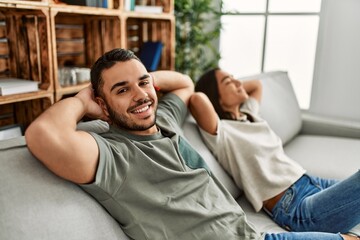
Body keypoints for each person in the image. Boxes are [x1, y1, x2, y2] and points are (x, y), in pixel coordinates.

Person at [25, 48, 357, 240]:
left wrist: (143, 83)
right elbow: (42, 135)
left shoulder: (165, 120)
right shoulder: (112, 155)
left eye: (143, 84)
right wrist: (84, 100)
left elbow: (184, 83)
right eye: (121, 90)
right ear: (103, 102)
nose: (140, 95)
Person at [189, 67, 360, 236]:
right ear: (215, 96)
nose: (236, 82)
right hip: (295, 206)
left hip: (312, 182)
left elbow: (256, 85)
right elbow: (197, 99)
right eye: (228, 82)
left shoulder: (249, 114)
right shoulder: (222, 133)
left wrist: (233, 85)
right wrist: (211, 89)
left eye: (235, 77)